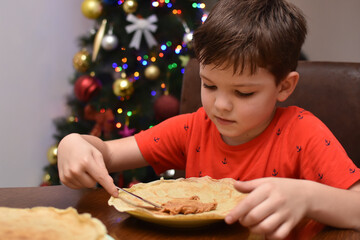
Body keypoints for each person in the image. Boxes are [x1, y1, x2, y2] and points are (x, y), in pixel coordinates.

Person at [58, 0, 360, 239]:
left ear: (284, 86)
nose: (220, 105)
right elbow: (107, 153)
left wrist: (307, 197)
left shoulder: (302, 133)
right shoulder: (193, 128)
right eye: (209, 85)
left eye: (243, 93)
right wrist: (75, 143)